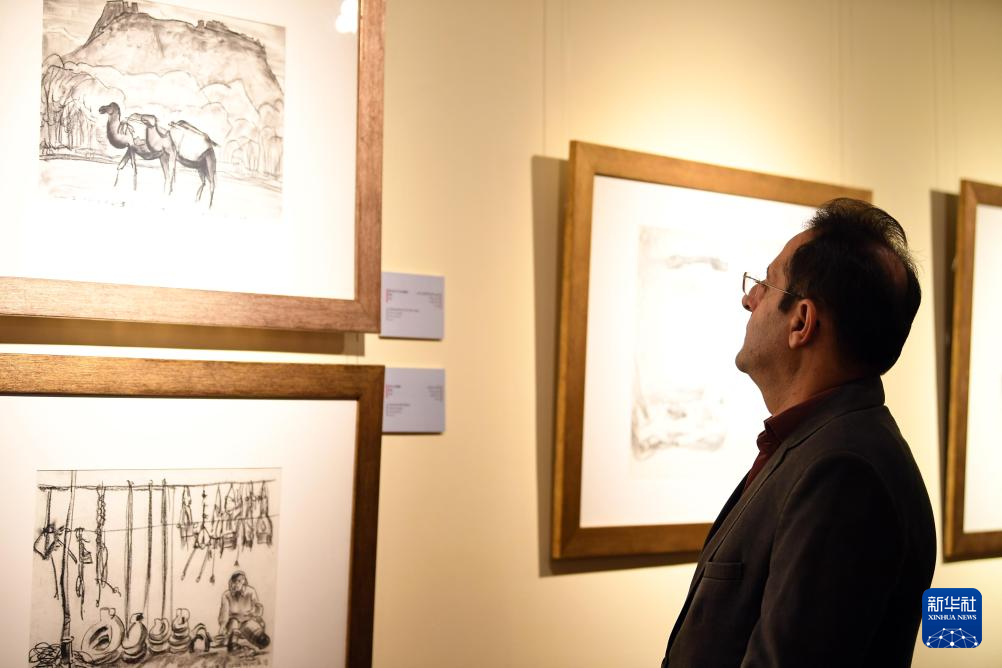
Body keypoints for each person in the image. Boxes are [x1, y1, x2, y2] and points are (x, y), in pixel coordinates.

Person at [661, 198, 936, 667]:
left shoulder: (844, 472)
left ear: (802, 322)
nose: (749, 299)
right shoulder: (823, 444)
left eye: (766, 284)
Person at [219, 570, 270, 651]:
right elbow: (224, 612)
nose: (236, 584)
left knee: (263, 640)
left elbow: (258, 607)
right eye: (234, 581)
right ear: (231, 582)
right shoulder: (226, 595)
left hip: (247, 622)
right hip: (233, 624)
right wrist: (222, 626)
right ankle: (233, 643)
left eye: (239, 581)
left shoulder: (251, 591)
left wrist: (256, 613)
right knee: (234, 623)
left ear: (244, 581)